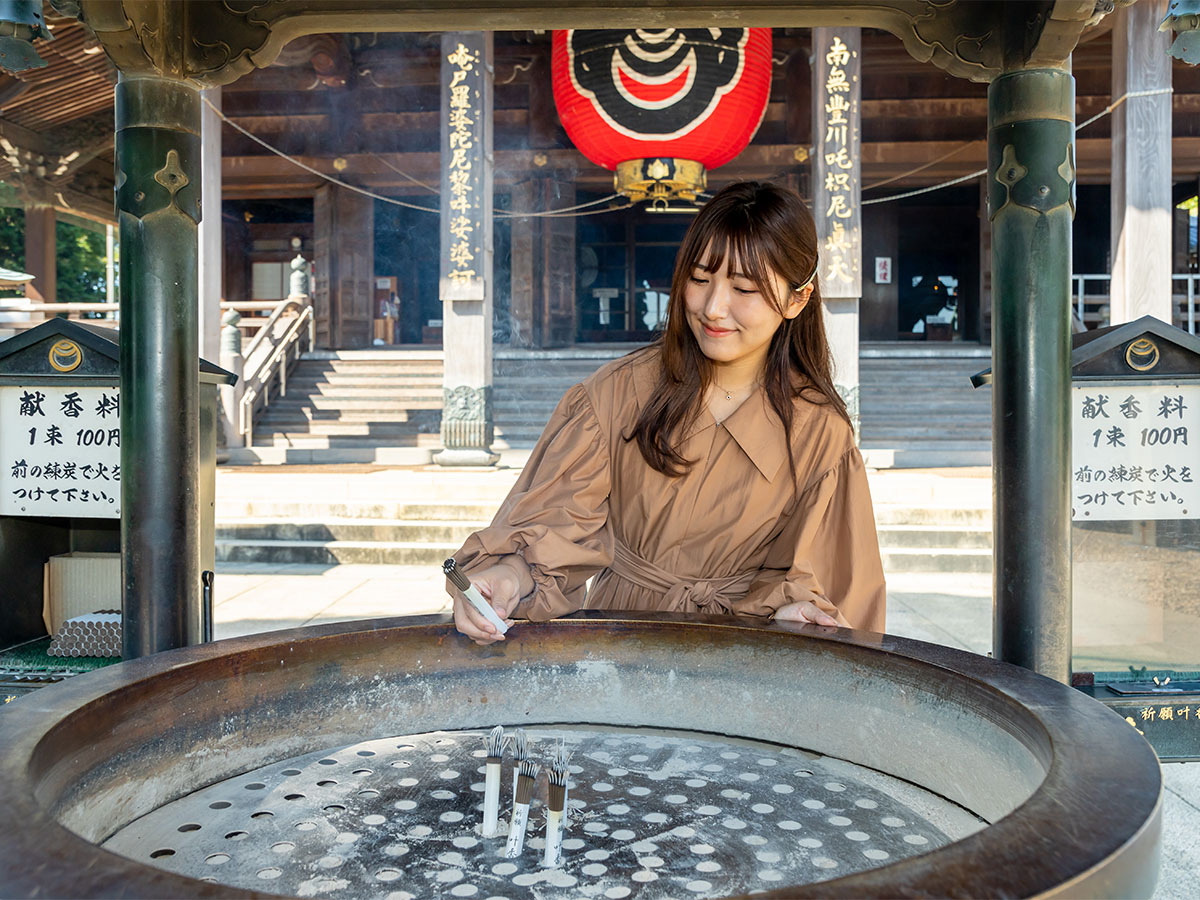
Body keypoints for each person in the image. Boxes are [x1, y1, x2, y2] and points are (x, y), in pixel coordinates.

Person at [447, 181, 886, 644]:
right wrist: (510, 576)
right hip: (619, 643)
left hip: (741, 660)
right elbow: (553, 529)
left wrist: (797, 610)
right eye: (699, 279)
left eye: (744, 288)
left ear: (797, 299)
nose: (714, 308)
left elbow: (831, 590)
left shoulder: (821, 434)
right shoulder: (615, 395)